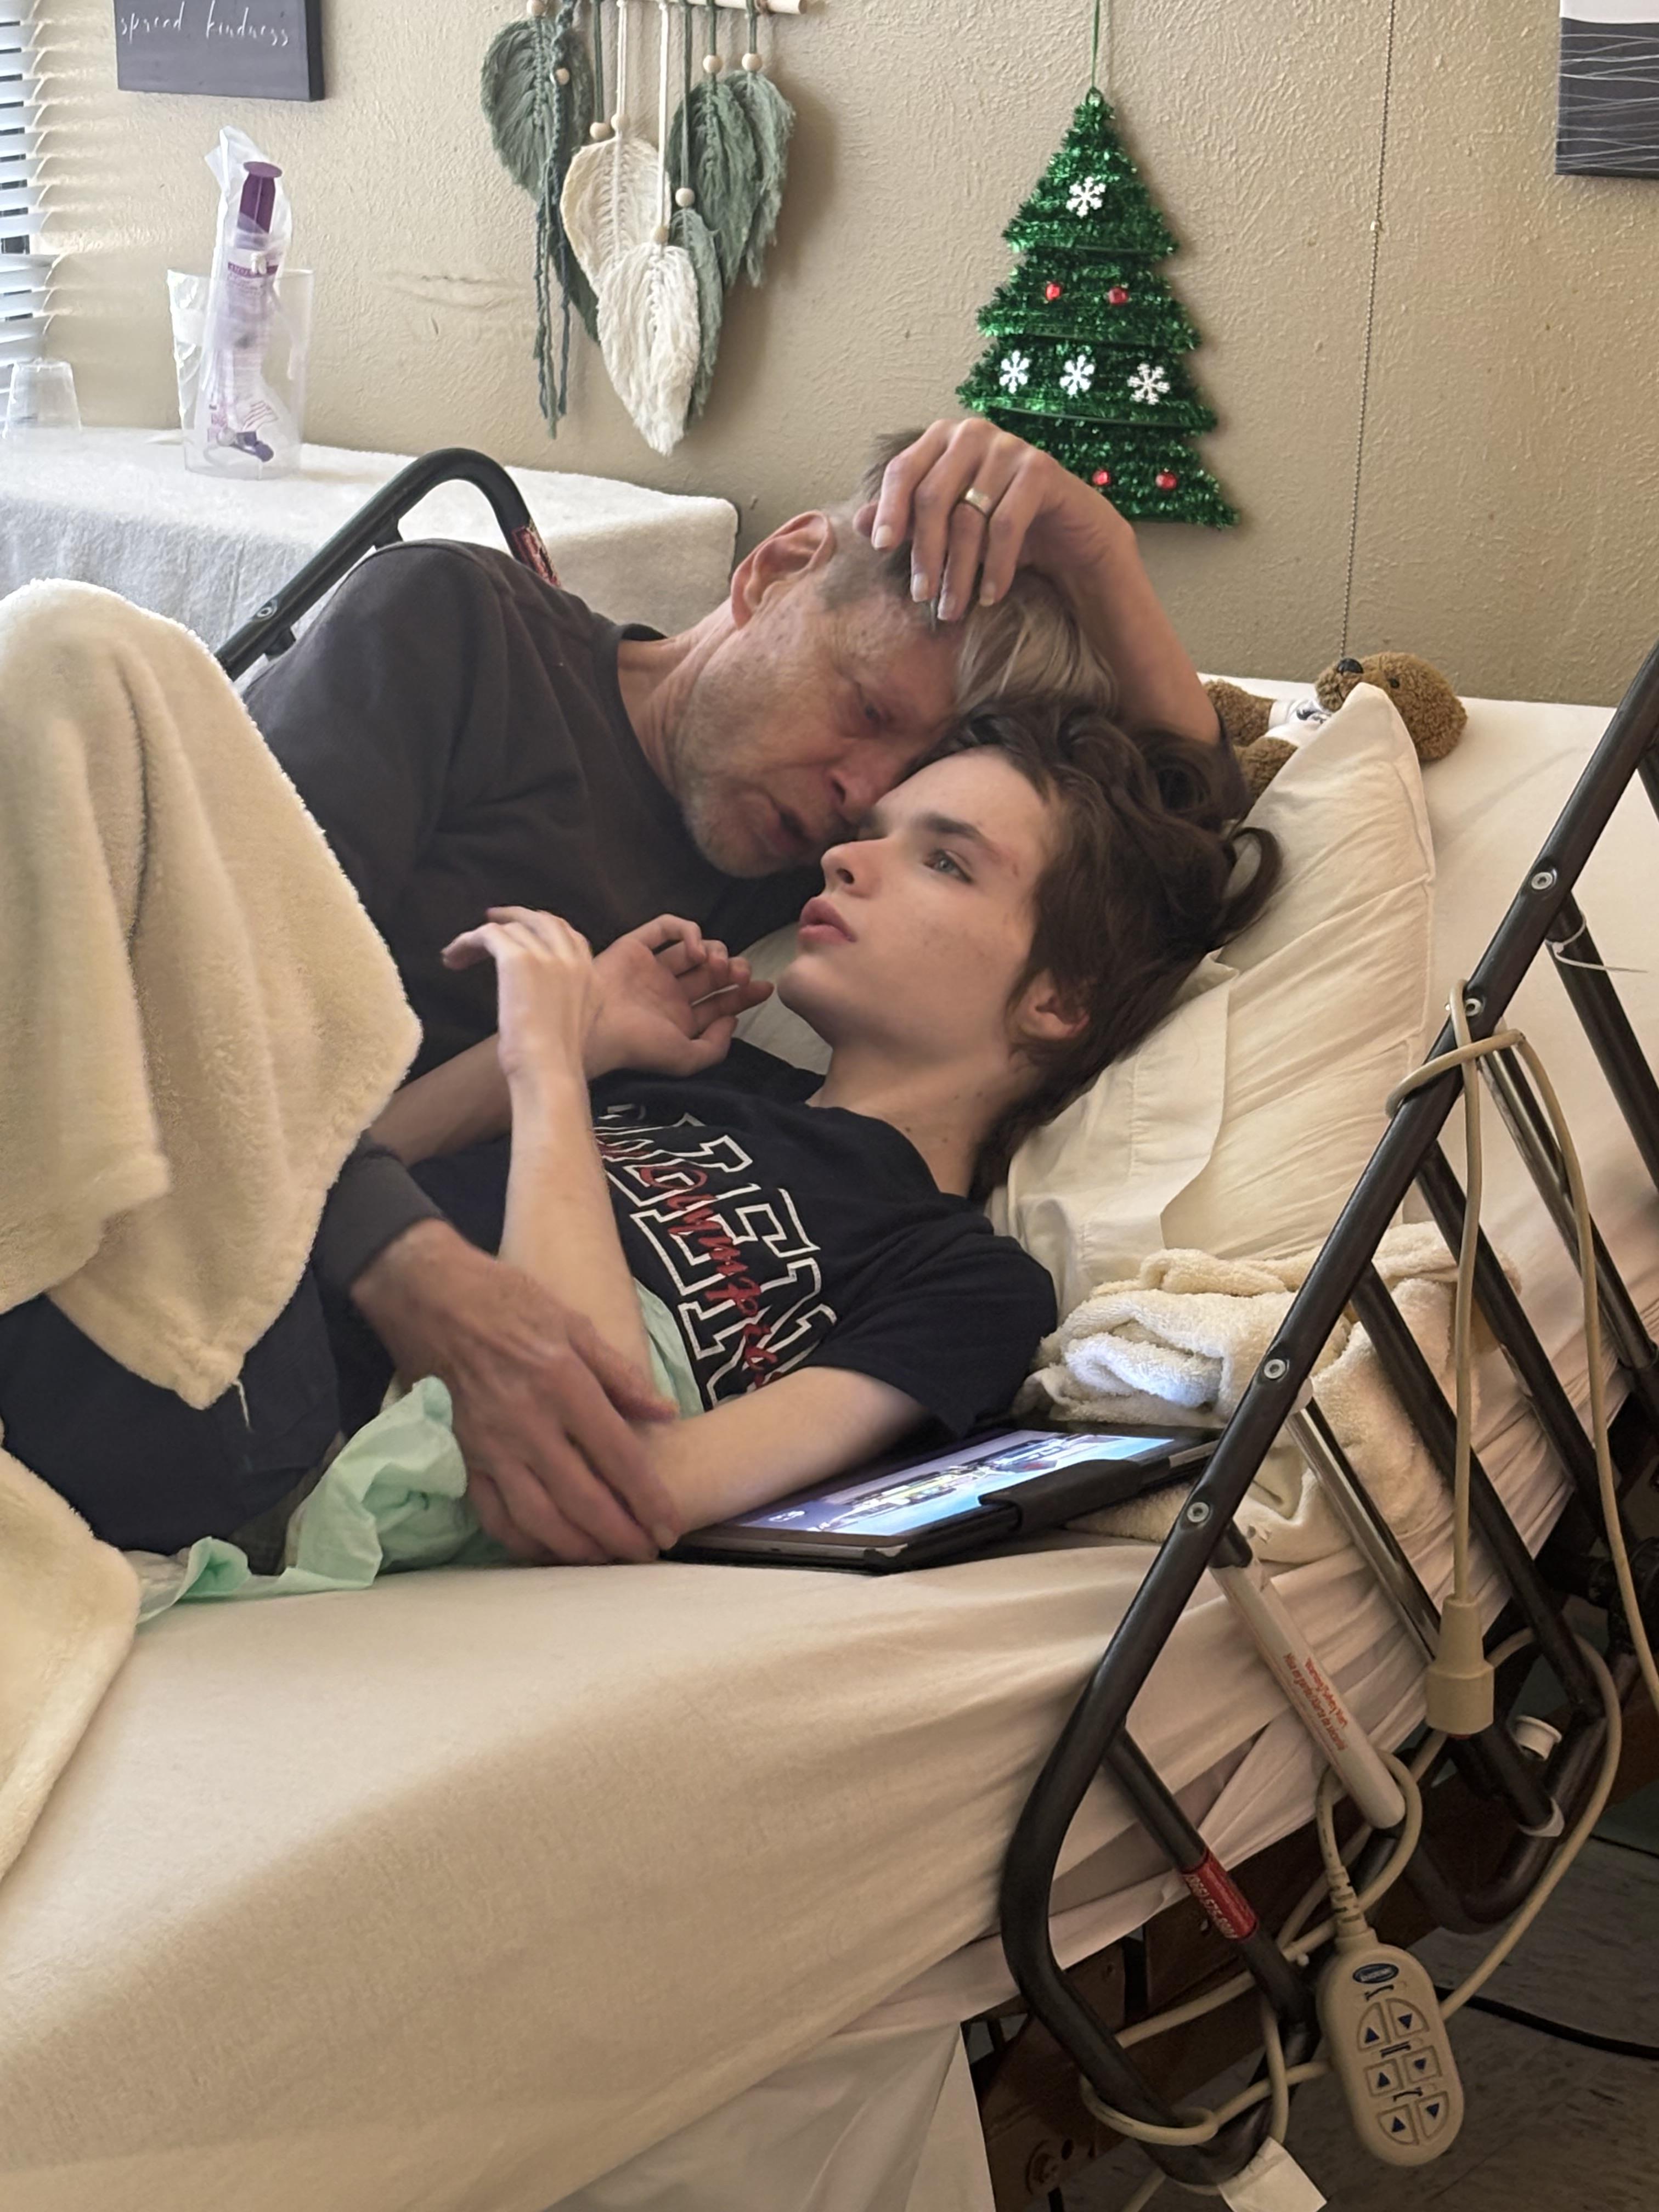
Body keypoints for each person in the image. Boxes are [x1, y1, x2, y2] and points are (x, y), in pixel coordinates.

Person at [250, 417, 1238, 1564]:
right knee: (86, 668)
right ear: (774, 572)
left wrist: (1102, 551)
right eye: (864, 710)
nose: (847, 814)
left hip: (300, 1378)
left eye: (916, 812)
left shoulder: (753, 926)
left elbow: (1157, 869)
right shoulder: (462, 632)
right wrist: (407, 1259)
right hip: (226, 1214)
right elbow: (203, 999)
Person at [318, 698, 1276, 1551]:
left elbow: (632, 1481)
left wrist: (545, 1065)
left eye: (943, 860)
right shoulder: (703, 1076)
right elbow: (313, 1177)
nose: (843, 857)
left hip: (295, 1422)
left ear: (1062, 998)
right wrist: (586, 1043)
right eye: (871, 831)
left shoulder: (967, 1282)